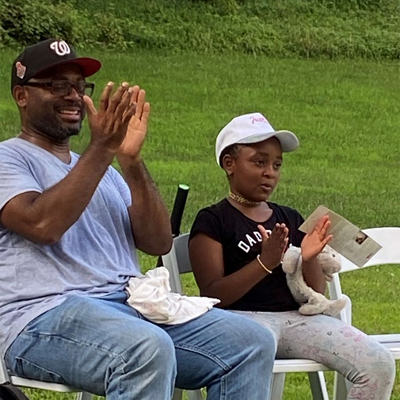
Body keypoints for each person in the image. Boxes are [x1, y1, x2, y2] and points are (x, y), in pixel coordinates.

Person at [0, 39, 277, 400]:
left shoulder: (105, 172)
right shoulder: (9, 159)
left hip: (129, 306)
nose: (73, 96)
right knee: (145, 349)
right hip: (40, 317)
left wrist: (129, 161)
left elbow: (158, 242)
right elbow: (42, 225)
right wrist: (102, 149)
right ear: (22, 95)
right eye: (57, 86)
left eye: (79, 87)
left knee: (250, 342)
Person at [189, 112, 396, 399]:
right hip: (241, 323)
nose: (270, 172)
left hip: (298, 320)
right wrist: (265, 263)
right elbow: (213, 294)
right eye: (259, 162)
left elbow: (314, 293)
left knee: (378, 363)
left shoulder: (289, 217)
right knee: (249, 359)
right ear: (229, 164)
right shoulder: (213, 220)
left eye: (276, 165)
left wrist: (309, 258)